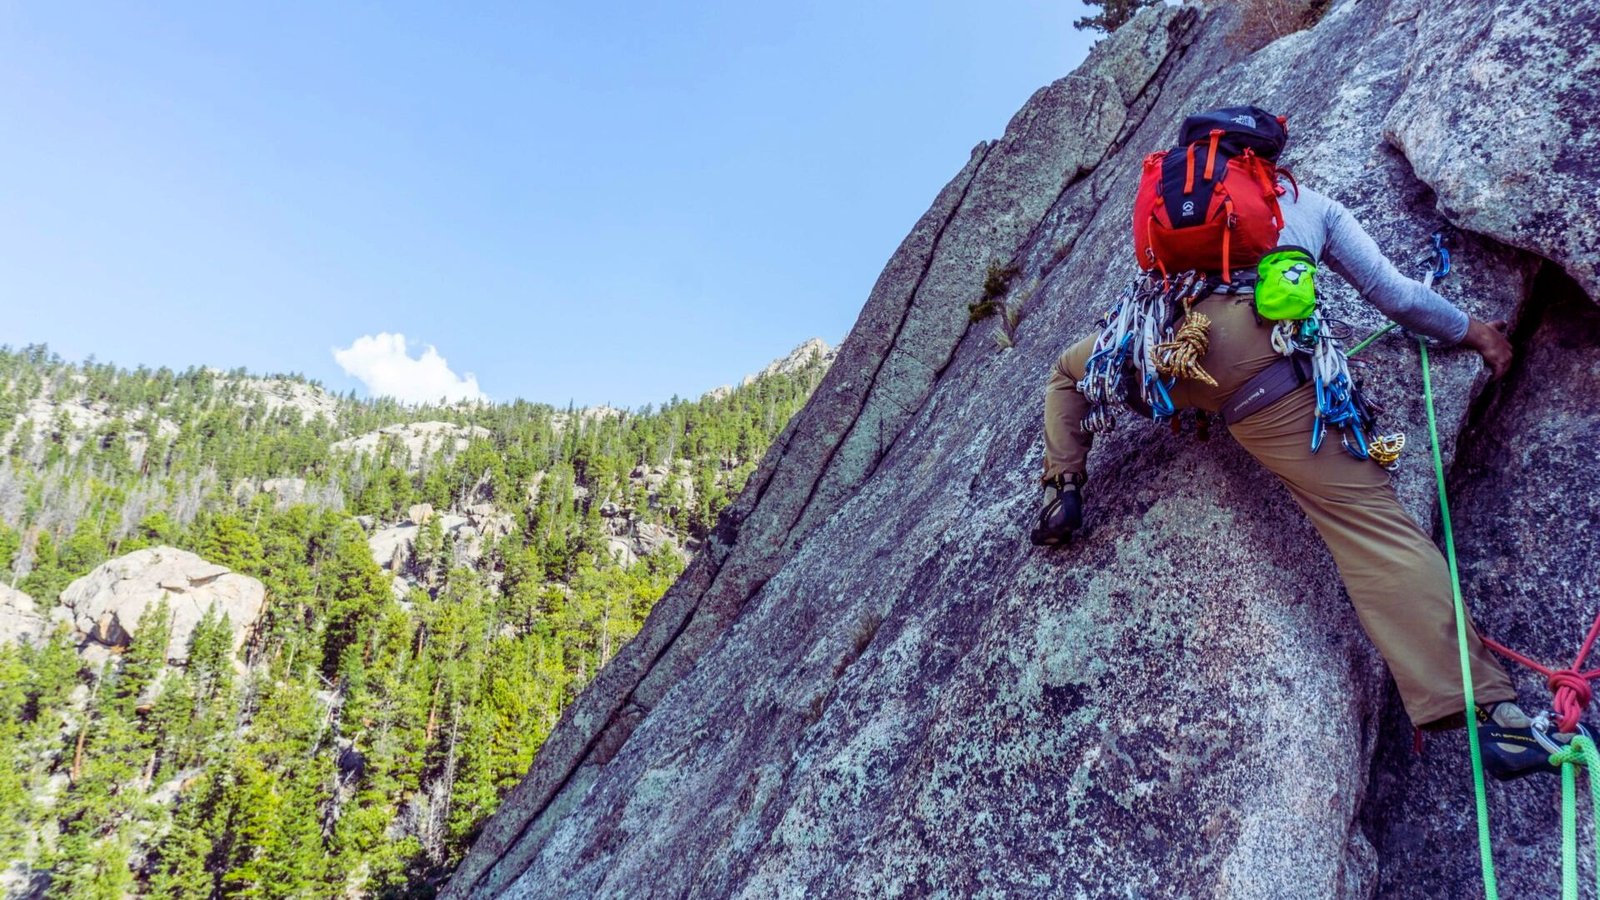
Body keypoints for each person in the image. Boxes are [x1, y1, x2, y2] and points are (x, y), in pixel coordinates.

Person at [1032, 108, 1573, 779]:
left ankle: (1061, 491)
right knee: (1372, 532)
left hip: (1168, 355)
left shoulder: (1168, 205)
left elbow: (1150, 292)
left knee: (1066, 372)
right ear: (1269, 157)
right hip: (1264, 372)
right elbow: (1396, 296)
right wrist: (1477, 333)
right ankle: (1499, 718)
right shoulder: (1306, 205)